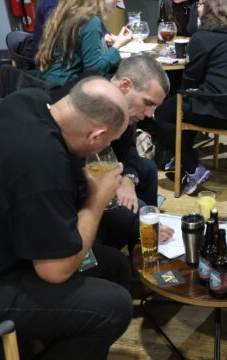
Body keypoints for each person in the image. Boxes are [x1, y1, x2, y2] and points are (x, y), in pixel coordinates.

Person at [0, 76, 133, 360]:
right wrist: (97, 202)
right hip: (2, 277)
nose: (106, 147)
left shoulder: (28, 100)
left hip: (11, 239)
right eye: (109, 141)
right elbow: (54, 272)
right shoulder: (43, 167)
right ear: (95, 136)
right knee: (113, 308)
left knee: (113, 265)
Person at [51, 55, 174, 253]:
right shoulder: (91, 100)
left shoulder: (123, 105)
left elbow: (128, 148)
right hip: (78, 175)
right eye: (148, 103)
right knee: (134, 209)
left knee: (149, 169)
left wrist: (128, 179)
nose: (150, 114)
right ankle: (132, 237)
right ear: (125, 85)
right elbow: (81, 162)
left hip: (104, 164)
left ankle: (142, 246)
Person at [152, 0, 227, 195]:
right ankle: (182, 157)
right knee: (185, 105)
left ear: (210, 9)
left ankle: (190, 165)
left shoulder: (203, 37)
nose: (197, 7)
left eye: (200, 3)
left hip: (217, 112)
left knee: (163, 113)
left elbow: (190, 81)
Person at [35, 0, 132, 85]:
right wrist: (117, 45)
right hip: (65, 88)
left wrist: (103, 42)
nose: (119, 1)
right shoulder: (91, 21)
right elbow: (93, 70)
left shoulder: (66, 13)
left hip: (47, 82)